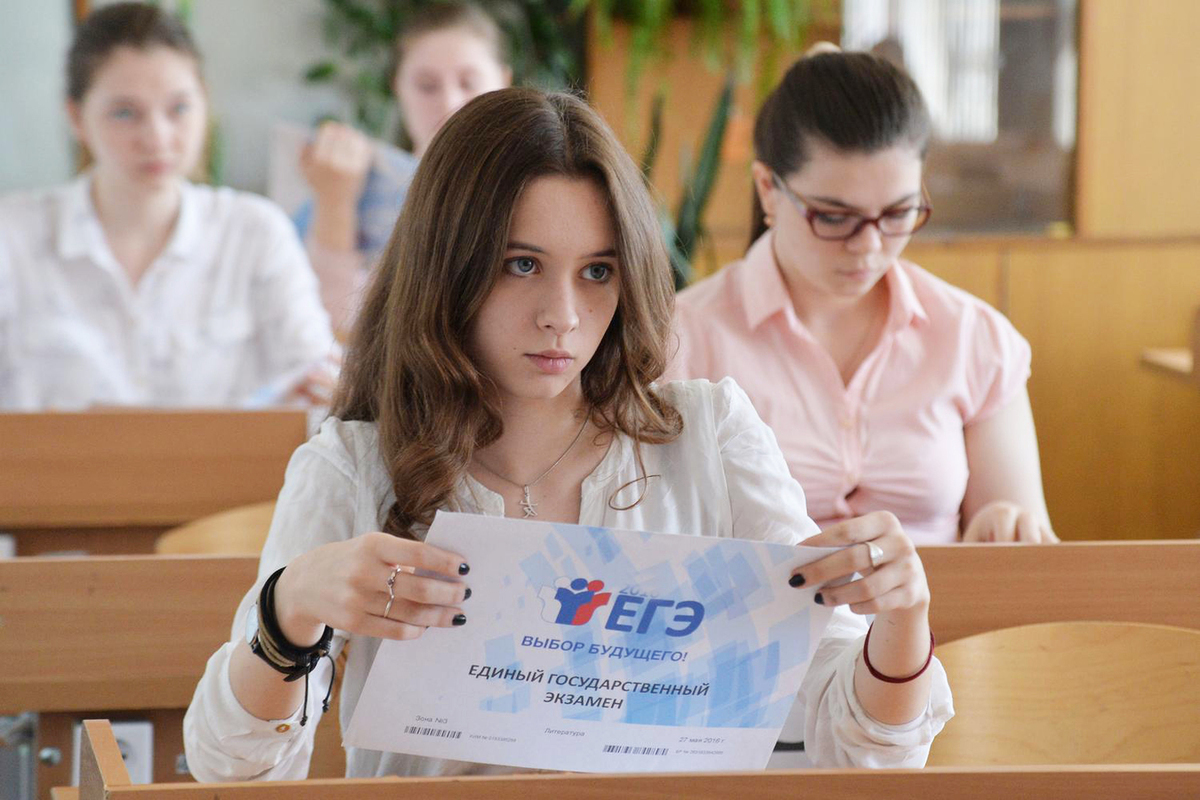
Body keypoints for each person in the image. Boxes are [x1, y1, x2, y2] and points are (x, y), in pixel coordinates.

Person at [184, 87, 952, 781]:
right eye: (522, 265)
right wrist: (291, 609)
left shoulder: (708, 439)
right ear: (447, 266)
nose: (563, 315)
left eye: (597, 271)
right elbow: (233, 768)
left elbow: (865, 749)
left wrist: (903, 619)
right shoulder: (355, 466)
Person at [670, 46, 1056, 545]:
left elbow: (1024, 546)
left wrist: (1003, 525)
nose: (869, 246)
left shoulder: (972, 338)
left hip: (939, 598)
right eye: (834, 217)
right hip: (753, 599)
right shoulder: (681, 338)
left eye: (898, 213)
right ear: (768, 189)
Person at [0, 2, 335, 411]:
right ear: (76, 117)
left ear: (204, 102)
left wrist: (334, 388)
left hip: (233, 457)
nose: (157, 137)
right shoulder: (12, 237)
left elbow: (318, 376)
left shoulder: (254, 232)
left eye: (179, 108)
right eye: (125, 113)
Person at [295, 1, 513, 332]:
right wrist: (334, 203)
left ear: (504, 82)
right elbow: (319, 330)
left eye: (469, 83)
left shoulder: (535, 193)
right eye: (427, 86)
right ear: (398, 86)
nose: (450, 102)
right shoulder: (340, 184)